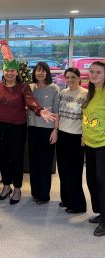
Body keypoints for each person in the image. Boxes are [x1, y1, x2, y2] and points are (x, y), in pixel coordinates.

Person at [0, 47, 57, 205]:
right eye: (6, 71)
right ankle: (6, 186)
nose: (9, 73)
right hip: (0, 128)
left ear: (16, 72)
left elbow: (30, 101)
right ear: (3, 72)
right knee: (2, 159)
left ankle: (17, 188)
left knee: (16, 159)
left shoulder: (23, 87)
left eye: (12, 70)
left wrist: (39, 110)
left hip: (17, 128)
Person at [28, 62, 60, 205]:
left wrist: (55, 130)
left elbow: (57, 111)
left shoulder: (54, 89)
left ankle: (44, 195)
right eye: (38, 71)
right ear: (34, 73)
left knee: (45, 163)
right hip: (32, 128)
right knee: (33, 162)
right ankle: (35, 192)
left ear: (47, 73)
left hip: (47, 130)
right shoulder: (30, 88)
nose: (40, 73)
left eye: (43, 71)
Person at [56, 67, 87, 213]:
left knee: (74, 171)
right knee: (62, 170)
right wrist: (55, 131)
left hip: (76, 137)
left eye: (73, 77)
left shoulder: (86, 94)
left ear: (79, 78)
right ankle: (66, 199)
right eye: (67, 77)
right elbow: (58, 114)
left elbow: (87, 117)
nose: (70, 80)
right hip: (62, 135)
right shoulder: (62, 93)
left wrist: (84, 135)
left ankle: (78, 205)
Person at [82, 61, 105, 237]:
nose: (94, 75)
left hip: (102, 146)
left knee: (102, 183)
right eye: (92, 71)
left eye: (98, 72)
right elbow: (87, 116)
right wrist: (83, 136)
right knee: (91, 180)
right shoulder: (90, 92)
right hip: (89, 144)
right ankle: (100, 213)